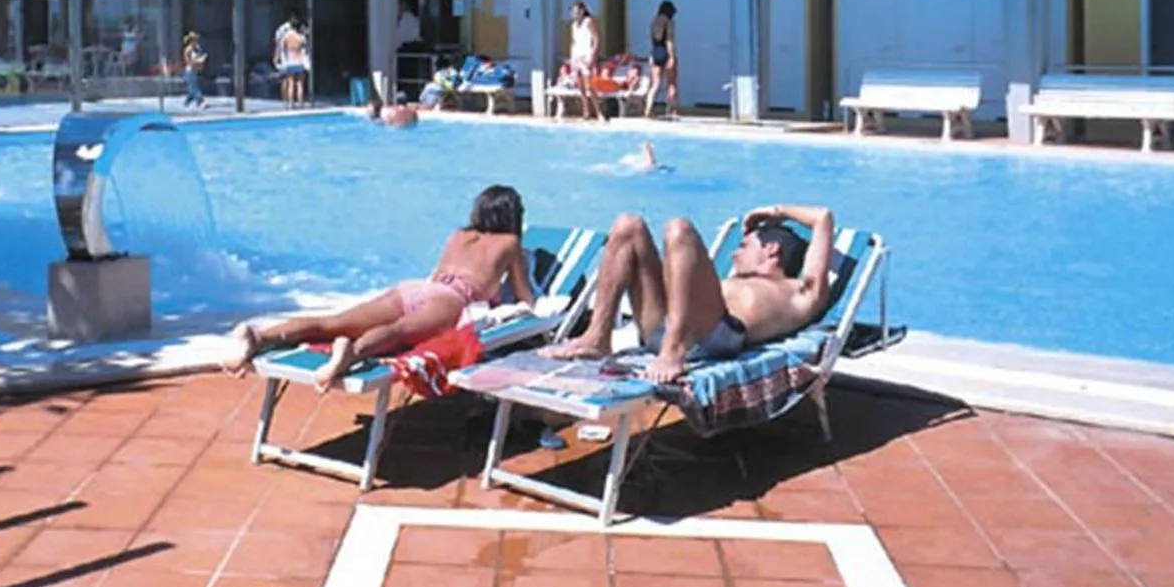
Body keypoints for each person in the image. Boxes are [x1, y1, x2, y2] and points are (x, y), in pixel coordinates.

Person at [225, 184, 535, 390]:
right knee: (399, 333)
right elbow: (525, 299)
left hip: (415, 289)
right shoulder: (511, 243)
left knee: (334, 321)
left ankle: (259, 335)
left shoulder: (459, 236)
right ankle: (352, 353)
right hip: (450, 299)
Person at [548, 203, 837, 384]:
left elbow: (823, 217)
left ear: (772, 249)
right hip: (666, 327)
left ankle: (674, 348)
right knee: (628, 225)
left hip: (713, 336)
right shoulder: (733, 278)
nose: (734, 255)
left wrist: (776, 212)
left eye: (744, 246)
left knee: (679, 229)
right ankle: (598, 337)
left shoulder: (801, 292)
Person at [567, 1, 602, 119]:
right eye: (572, 12)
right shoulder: (573, 25)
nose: (574, 14)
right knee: (581, 87)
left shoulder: (588, 21)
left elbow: (596, 38)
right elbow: (573, 42)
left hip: (586, 56)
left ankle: (599, 112)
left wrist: (593, 56)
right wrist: (572, 59)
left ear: (582, 11)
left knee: (589, 86)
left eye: (576, 11)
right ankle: (586, 111)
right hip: (577, 56)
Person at [648, 0, 679, 118]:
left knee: (655, 84)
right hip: (666, 53)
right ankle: (672, 111)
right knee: (671, 83)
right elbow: (669, 41)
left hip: (656, 52)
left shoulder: (654, 22)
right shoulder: (669, 22)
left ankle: (648, 110)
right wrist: (671, 57)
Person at [273, 11, 310, 107]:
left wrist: (277, 58)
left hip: (290, 62)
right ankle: (301, 103)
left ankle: (290, 103)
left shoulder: (286, 36)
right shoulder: (301, 37)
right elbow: (305, 49)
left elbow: (280, 47)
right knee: (300, 84)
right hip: (299, 62)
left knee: (290, 84)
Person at [180, 31, 208, 108]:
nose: (196, 41)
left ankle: (187, 101)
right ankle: (200, 101)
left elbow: (200, 55)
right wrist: (199, 61)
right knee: (194, 87)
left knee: (192, 88)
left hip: (196, 71)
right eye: (195, 40)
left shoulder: (197, 49)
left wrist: (202, 60)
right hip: (190, 71)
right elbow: (188, 62)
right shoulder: (187, 50)